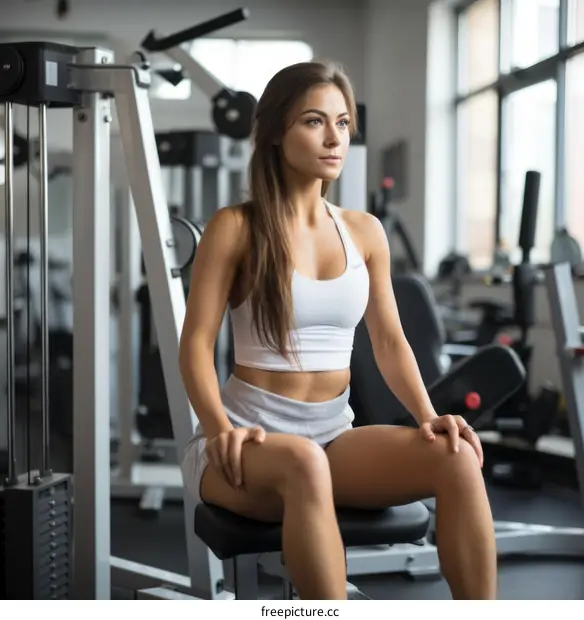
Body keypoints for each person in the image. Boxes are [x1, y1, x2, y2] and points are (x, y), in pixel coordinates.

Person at [179, 60, 497, 601]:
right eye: (313, 121)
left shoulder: (364, 231)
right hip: (245, 442)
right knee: (302, 462)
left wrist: (429, 417)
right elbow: (195, 346)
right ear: (277, 133)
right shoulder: (235, 227)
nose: (334, 138)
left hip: (334, 438)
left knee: (458, 457)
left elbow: (390, 341)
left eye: (343, 123)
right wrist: (217, 430)